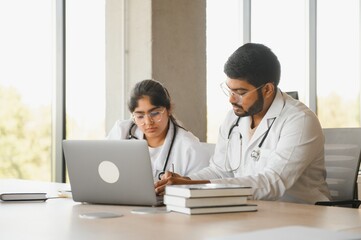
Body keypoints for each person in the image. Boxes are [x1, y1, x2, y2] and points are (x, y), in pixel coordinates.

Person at [155, 43, 331, 204]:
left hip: (301, 216)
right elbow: (219, 170)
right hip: (252, 210)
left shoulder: (299, 121)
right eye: (230, 90)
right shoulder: (233, 119)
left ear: (267, 89)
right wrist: (185, 182)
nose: (231, 99)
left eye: (240, 92)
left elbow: (273, 182)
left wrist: (197, 186)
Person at [107, 79, 210, 181]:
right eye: (140, 116)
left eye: (155, 113)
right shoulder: (121, 131)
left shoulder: (190, 148)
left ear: (169, 109)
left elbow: (199, 190)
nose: (148, 122)